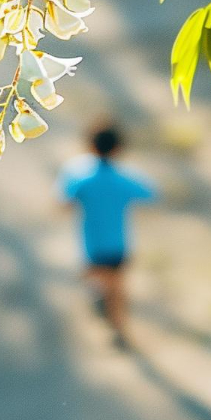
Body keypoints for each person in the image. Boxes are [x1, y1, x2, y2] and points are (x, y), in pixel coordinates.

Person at [59, 125, 154, 349]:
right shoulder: (123, 177)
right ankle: (119, 328)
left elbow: (64, 202)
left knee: (96, 276)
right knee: (118, 287)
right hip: (117, 242)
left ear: (90, 146)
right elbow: (149, 193)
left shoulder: (80, 176)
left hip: (92, 243)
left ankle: (98, 299)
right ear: (118, 149)